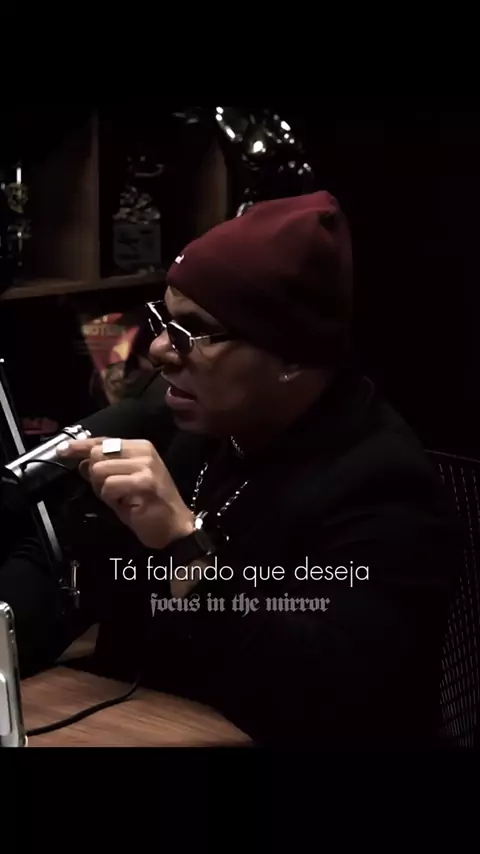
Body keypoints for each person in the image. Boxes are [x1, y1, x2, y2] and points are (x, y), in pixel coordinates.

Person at [1, 191, 460, 748]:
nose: (160, 350)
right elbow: (63, 578)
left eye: (192, 332)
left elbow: (328, 696)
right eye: (163, 320)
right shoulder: (180, 428)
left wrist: (185, 545)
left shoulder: (385, 490)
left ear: (293, 355)